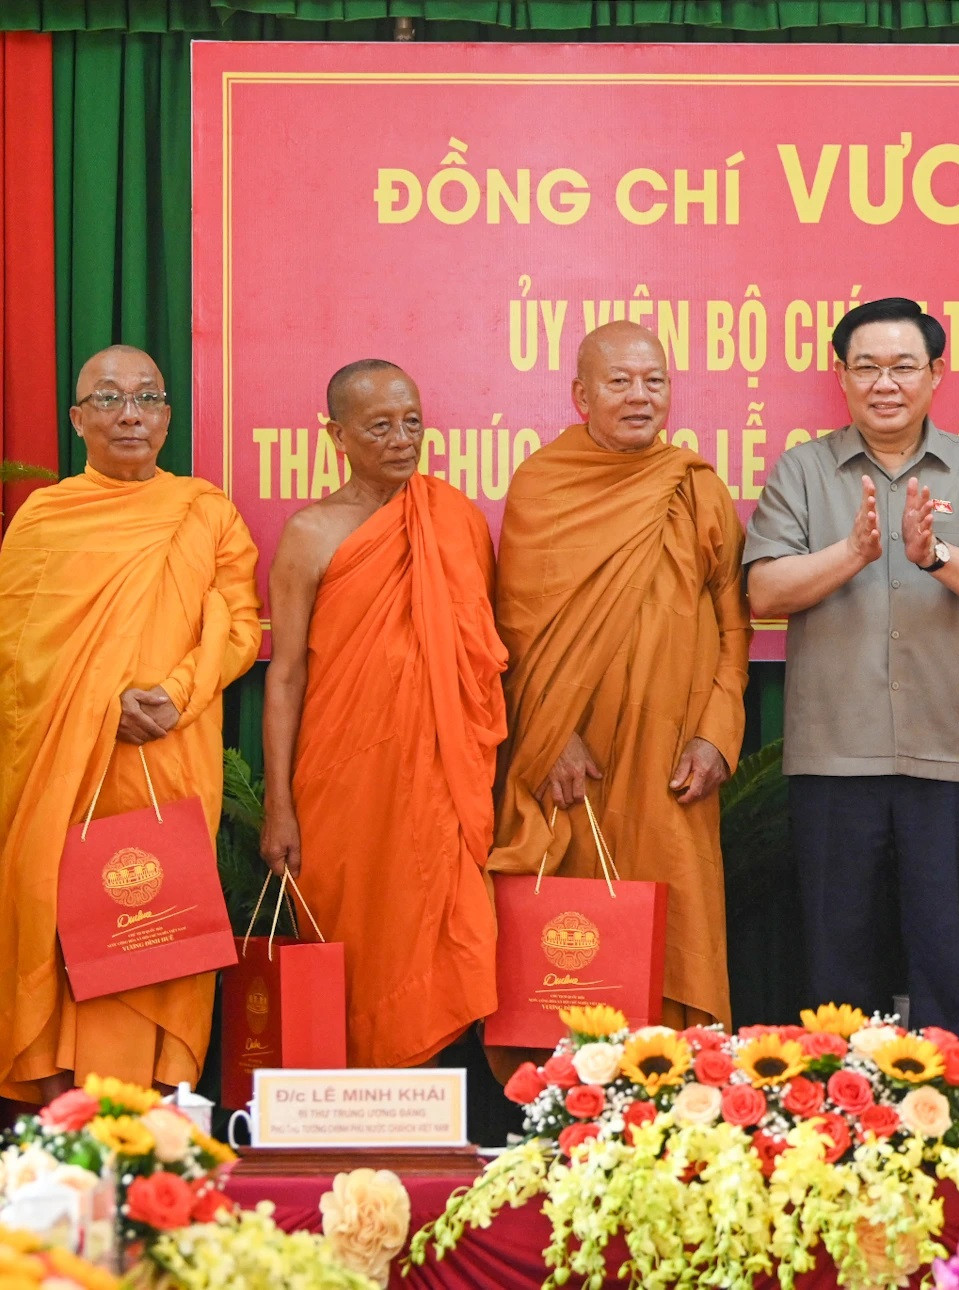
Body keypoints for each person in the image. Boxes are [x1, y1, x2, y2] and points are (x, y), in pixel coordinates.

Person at [745, 297, 959, 1043]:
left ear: (937, 374)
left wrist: (935, 556)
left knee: (947, 964)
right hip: (835, 759)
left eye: (904, 366)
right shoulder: (803, 471)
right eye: (866, 366)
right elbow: (764, 590)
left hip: (948, 757)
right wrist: (853, 554)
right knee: (837, 974)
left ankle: (947, 1132)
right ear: (839, 375)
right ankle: (835, 1139)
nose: (885, 383)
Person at [0, 345, 260, 1100]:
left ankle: (153, 1112)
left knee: (159, 916)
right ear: (78, 420)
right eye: (109, 399)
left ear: (168, 417)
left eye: (147, 397)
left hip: (169, 756)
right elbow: (18, 658)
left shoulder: (204, 511)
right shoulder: (44, 517)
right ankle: (61, 1122)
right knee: (57, 910)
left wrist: (177, 691)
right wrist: (100, 703)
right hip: (64, 765)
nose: (130, 414)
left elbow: (238, 624)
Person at [491, 321, 749, 1056]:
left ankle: (682, 1106)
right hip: (577, 764)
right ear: (581, 395)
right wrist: (551, 738)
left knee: (679, 924)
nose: (640, 397)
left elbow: (735, 626)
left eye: (655, 381)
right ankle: (566, 1112)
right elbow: (516, 629)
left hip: (676, 763)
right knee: (572, 948)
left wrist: (717, 735)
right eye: (620, 382)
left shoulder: (693, 485)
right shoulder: (542, 484)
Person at [258, 360, 507, 1068]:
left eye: (412, 422)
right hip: (345, 781)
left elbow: (482, 655)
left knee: (449, 936)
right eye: (380, 427)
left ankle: (433, 1137)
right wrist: (279, 805)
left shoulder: (453, 518)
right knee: (357, 945)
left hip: (441, 777)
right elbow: (286, 676)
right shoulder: (311, 532)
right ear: (336, 434)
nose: (403, 440)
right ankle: (353, 1126)